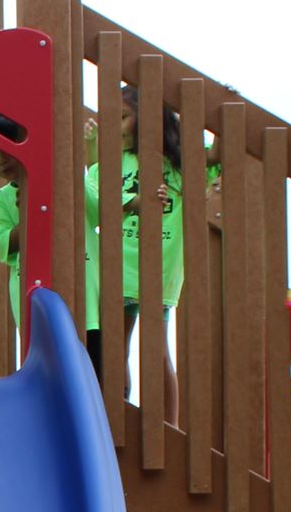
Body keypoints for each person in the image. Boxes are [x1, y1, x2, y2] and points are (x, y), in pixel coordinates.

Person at [84, 83, 213, 412]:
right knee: (116, 350)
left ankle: (169, 432)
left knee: (157, 352)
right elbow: (95, 197)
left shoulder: (179, 164)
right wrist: (92, 149)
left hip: (158, 268)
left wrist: (216, 106)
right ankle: (119, 417)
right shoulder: (114, 161)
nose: (116, 125)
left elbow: (215, 157)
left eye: (124, 117)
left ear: (149, 119)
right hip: (116, 267)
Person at [0, 112, 30, 345]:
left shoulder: (57, 181)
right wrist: (26, 216)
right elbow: (4, 243)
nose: (1, 160)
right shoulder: (3, 198)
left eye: (5, 148)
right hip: (25, 290)